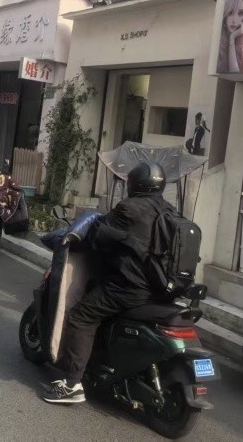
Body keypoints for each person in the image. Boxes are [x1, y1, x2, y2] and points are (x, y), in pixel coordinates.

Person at [42, 160, 173, 404]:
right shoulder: (170, 211)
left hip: (128, 287)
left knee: (81, 315)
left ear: (134, 184)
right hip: (160, 289)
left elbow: (98, 235)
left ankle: (72, 384)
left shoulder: (129, 209)